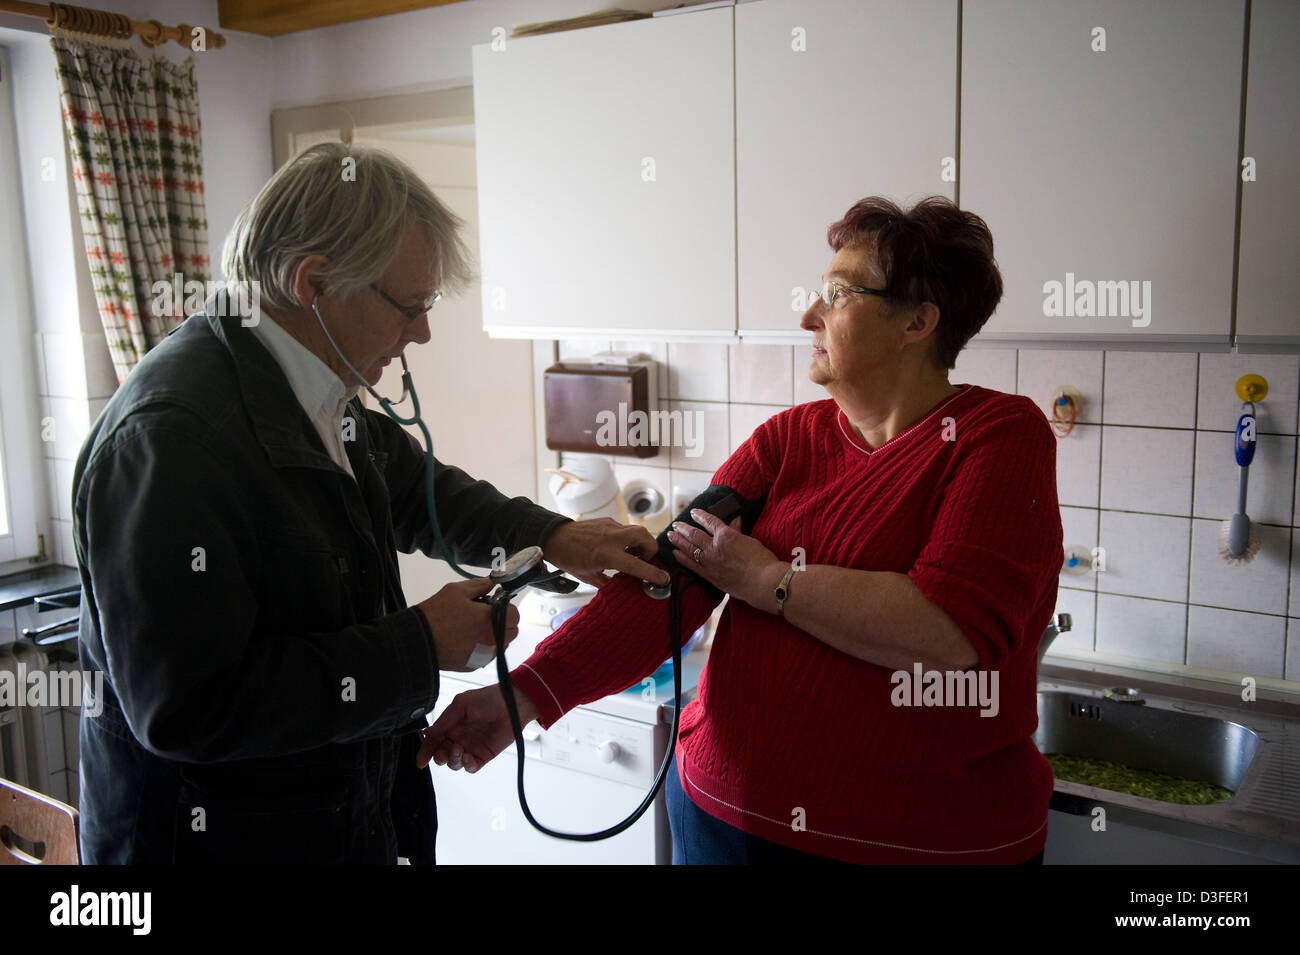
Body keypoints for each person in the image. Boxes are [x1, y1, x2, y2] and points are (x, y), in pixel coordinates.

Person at [71, 143, 668, 864]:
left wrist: (556, 535)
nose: (419, 333)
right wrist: (419, 644)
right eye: (408, 306)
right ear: (313, 284)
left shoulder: (311, 388)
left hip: (339, 822)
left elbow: (426, 493)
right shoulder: (171, 439)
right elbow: (188, 708)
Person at [420, 196, 1064, 865]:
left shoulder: (997, 437)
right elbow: (666, 584)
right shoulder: (784, 441)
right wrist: (524, 694)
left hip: (918, 844)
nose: (808, 315)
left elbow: (948, 633)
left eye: (839, 294)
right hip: (723, 821)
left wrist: (769, 580)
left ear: (917, 321)